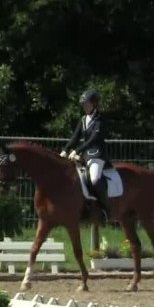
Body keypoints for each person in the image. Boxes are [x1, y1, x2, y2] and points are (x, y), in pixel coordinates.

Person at [60, 89, 112, 217]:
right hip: (84, 156)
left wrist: (77, 150)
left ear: (94, 104)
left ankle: (105, 209)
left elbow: (93, 139)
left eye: (86, 104)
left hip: (97, 156)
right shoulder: (83, 119)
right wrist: (65, 150)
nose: (84, 106)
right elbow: (75, 138)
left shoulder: (100, 119)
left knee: (94, 179)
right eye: (83, 104)